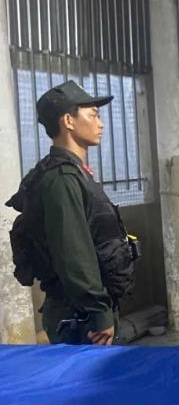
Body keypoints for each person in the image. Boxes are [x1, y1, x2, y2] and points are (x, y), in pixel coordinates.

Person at [6, 81, 139, 345]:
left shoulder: (72, 173)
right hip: (81, 317)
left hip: (84, 310)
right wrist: (99, 312)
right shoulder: (61, 180)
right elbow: (74, 253)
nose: (100, 124)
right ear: (68, 121)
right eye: (93, 115)